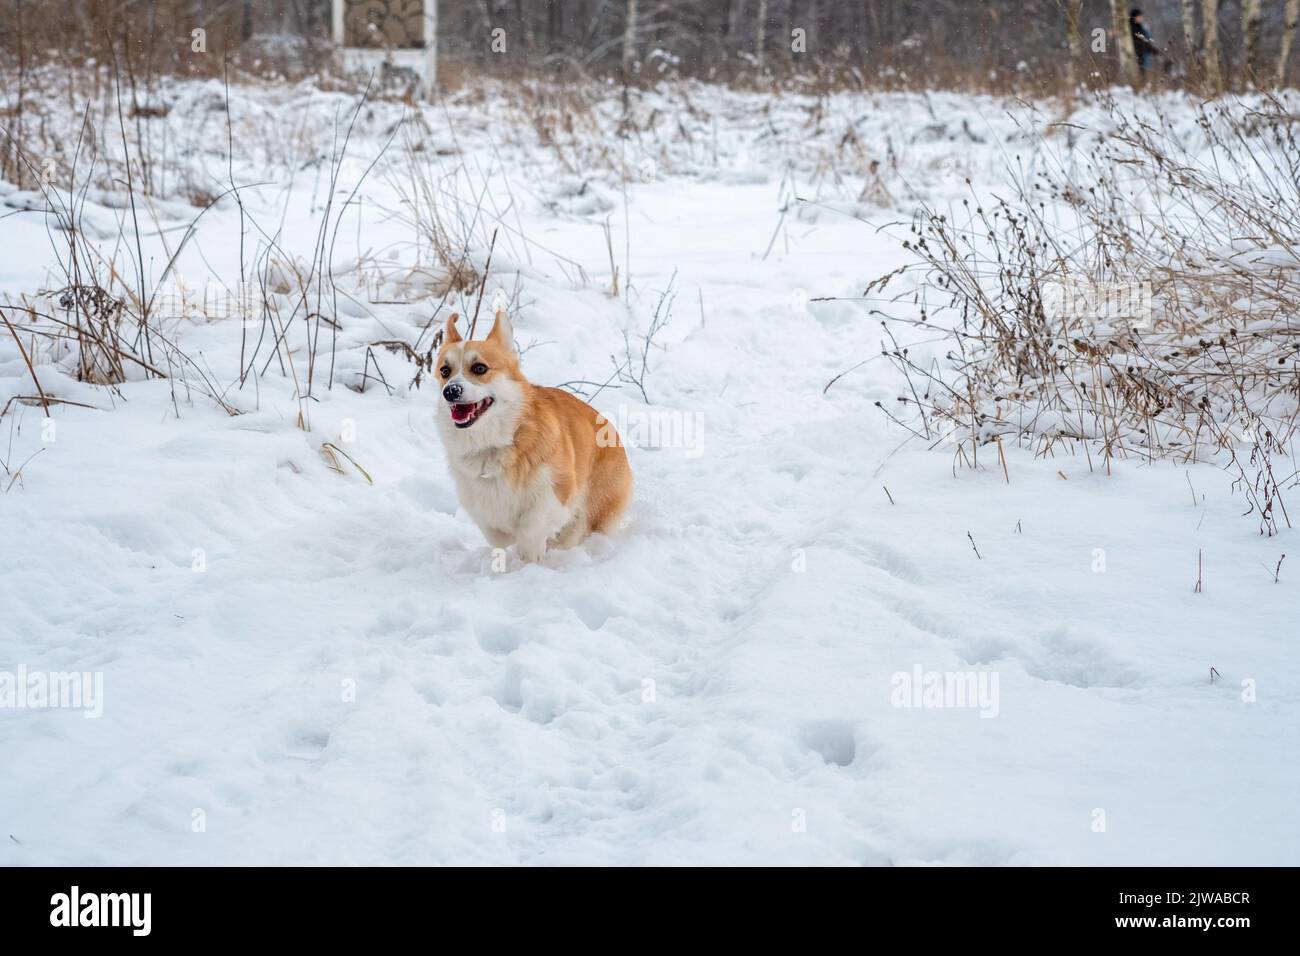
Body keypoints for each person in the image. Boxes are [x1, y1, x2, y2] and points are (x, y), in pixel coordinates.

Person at [1129, 8, 1160, 73]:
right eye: (1139, 16)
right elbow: (1142, 43)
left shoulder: (1140, 27)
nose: (1142, 18)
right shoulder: (1132, 28)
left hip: (1142, 55)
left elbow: (1145, 42)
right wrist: (1154, 51)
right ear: (1135, 17)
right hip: (1138, 56)